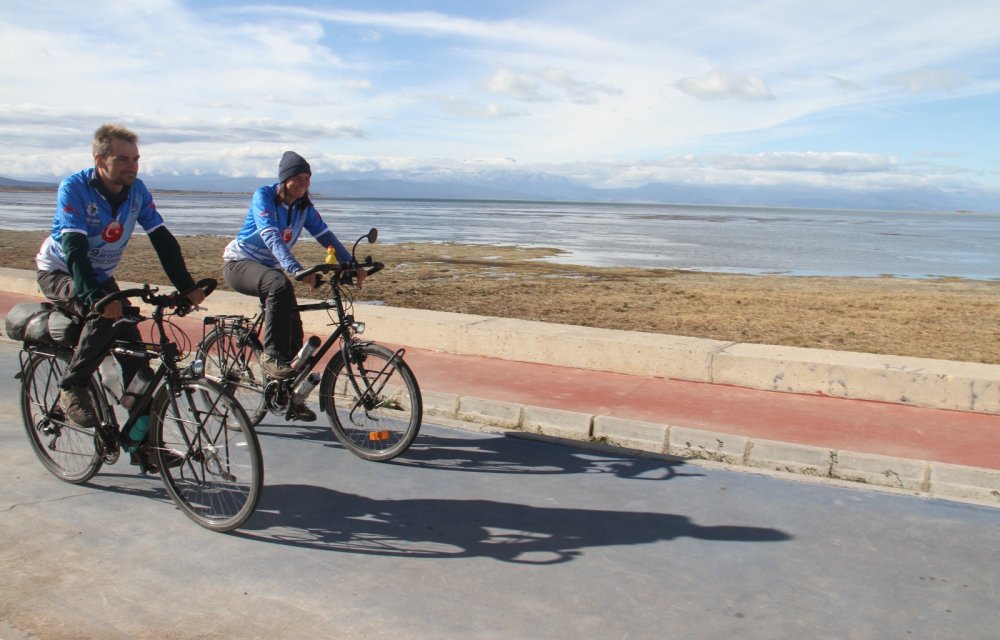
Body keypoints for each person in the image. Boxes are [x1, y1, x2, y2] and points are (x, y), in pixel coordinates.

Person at [35, 123, 208, 429]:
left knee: (136, 354)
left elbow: (162, 239)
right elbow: (74, 248)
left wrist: (187, 286)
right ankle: (72, 385)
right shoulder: (74, 187)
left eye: (136, 159)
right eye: (123, 159)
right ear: (100, 160)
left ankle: (143, 442)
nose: (132, 166)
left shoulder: (137, 191)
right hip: (60, 270)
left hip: (100, 274)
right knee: (103, 315)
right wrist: (94, 298)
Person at [222, 151, 365, 421]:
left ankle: (289, 396)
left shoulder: (303, 208)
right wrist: (295, 269)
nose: (303, 183)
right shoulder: (263, 196)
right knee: (279, 284)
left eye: (308, 179)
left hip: (270, 268)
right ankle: (271, 357)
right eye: (298, 178)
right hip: (240, 264)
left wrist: (352, 264)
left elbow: (325, 235)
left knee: (296, 337)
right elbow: (270, 234)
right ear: (285, 178)